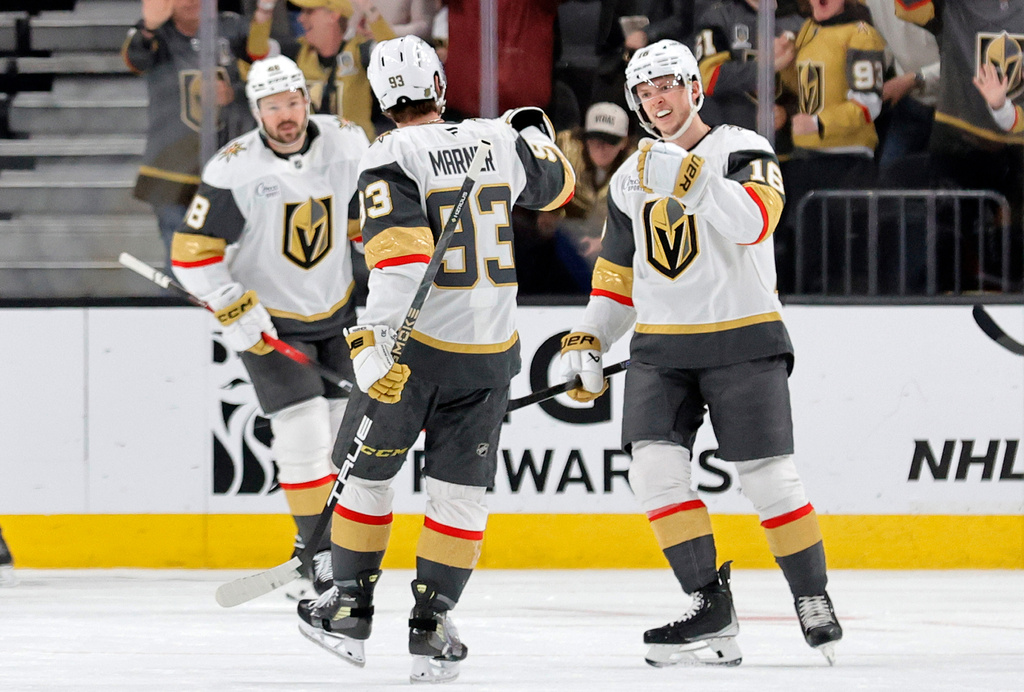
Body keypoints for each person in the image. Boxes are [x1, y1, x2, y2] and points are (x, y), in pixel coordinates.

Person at [295, 35, 575, 683]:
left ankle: (351, 610)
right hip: (490, 353)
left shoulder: (388, 155)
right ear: (440, 86)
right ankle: (432, 623)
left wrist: (370, 343)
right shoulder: (494, 139)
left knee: (367, 479)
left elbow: (399, 263)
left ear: (381, 99)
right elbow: (556, 187)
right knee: (459, 493)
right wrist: (530, 134)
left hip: (411, 353)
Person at [559, 39, 842, 667]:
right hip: (660, 349)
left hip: (742, 337)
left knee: (769, 478)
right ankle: (708, 606)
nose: (658, 99)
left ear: (695, 88)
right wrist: (591, 338)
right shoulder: (630, 177)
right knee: (653, 473)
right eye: (645, 91)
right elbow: (616, 275)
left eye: (668, 85)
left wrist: (693, 179)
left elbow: (754, 224)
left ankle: (812, 596)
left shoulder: (744, 147)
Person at [170, 55, 370, 597]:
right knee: (302, 434)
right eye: (274, 105)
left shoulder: (348, 143)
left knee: (339, 443)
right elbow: (190, 255)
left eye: (294, 101)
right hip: (272, 327)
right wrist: (233, 306)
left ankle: (314, 550)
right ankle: (322, 555)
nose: (287, 114)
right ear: (257, 110)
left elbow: (364, 221)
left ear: (309, 99)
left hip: (338, 314)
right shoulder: (234, 168)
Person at [122, 0, 254, 269]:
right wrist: (148, 28)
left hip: (229, 170)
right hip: (171, 174)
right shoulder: (156, 33)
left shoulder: (235, 28)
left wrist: (236, 92)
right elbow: (136, 59)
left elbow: (266, 76)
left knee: (233, 263)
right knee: (182, 264)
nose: (193, 1)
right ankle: (181, 310)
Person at [248, 0, 397, 140]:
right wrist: (264, 9)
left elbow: (396, 57)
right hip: (315, 155)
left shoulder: (359, 51)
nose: (300, 19)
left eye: (309, 12)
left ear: (333, 15)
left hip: (357, 151)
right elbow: (257, 53)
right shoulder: (297, 52)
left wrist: (370, 11)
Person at [541, 101, 636, 289]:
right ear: (584, 138)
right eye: (594, 139)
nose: (601, 147)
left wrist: (604, 241)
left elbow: (638, 220)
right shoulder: (564, 148)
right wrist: (548, 215)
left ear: (624, 142)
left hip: (615, 246)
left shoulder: (637, 165)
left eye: (610, 141)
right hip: (567, 238)